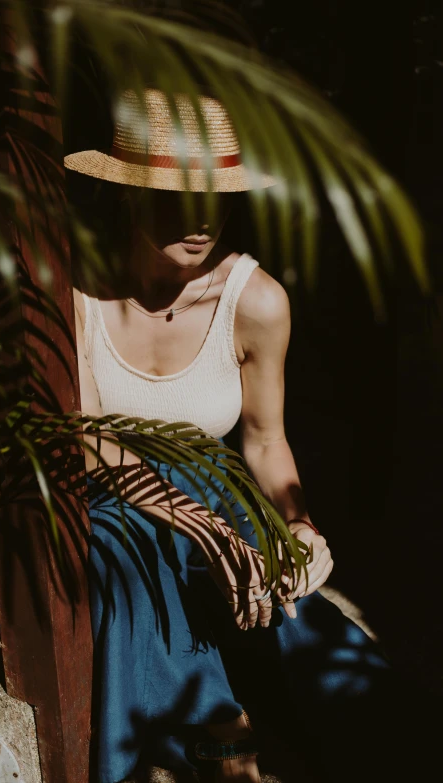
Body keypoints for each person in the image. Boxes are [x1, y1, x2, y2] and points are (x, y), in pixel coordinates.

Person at [65, 88, 393, 783]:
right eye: (178, 196)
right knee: (124, 552)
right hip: (118, 497)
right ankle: (221, 736)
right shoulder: (79, 290)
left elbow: (267, 440)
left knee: (291, 602)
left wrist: (299, 525)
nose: (202, 219)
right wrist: (189, 520)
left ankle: (376, 725)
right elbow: (88, 437)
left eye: (217, 196)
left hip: (220, 487)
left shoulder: (257, 301)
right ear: (129, 194)